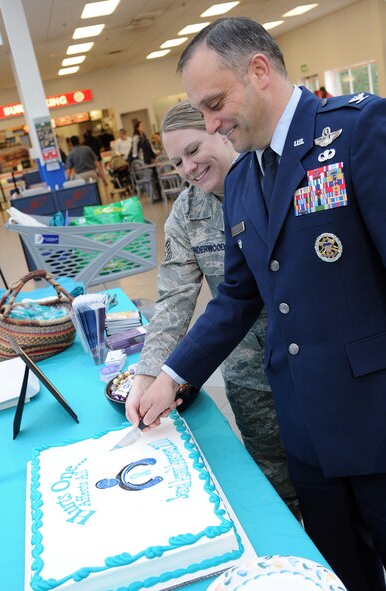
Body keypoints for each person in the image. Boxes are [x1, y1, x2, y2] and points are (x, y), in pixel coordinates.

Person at [125, 16, 386, 591]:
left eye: (215, 103)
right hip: (302, 428)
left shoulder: (358, 132)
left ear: (259, 72)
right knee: (337, 572)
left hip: (374, 422)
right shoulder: (245, 179)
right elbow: (239, 297)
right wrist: (170, 375)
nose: (212, 122)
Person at [131, 100, 298, 517]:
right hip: (248, 374)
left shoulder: (274, 181)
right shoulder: (187, 215)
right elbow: (173, 298)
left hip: (309, 365)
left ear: (219, 131)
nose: (187, 167)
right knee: (276, 482)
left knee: (339, 480)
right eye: (176, 162)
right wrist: (149, 375)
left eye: (192, 150)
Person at [131, 121, 162, 200]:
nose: (142, 127)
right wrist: (137, 163)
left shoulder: (145, 136)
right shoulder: (136, 138)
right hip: (142, 162)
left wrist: (154, 156)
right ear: (137, 128)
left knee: (154, 177)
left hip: (148, 160)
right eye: (141, 126)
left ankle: (158, 195)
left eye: (142, 126)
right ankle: (152, 197)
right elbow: (134, 152)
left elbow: (150, 148)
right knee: (147, 179)